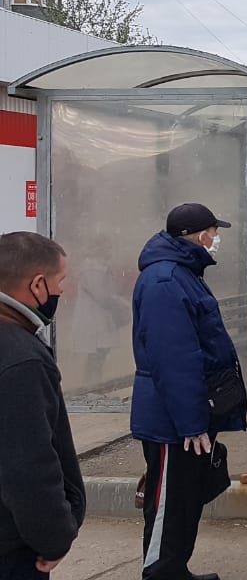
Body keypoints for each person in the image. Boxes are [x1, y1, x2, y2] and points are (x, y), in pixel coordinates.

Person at [131, 203, 245, 580]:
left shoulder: (181, 273)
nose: (216, 239)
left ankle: (175, 569)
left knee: (183, 501)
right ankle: (162, 573)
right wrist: (192, 423)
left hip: (184, 415)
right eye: (214, 231)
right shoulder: (166, 280)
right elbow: (174, 359)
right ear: (199, 235)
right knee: (168, 504)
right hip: (172, 422)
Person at [0, 232, 85, 580]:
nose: (62, 291)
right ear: (37, 285)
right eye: (59, 280)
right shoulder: (20, 359)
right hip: (12, 549)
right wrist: (53, 538)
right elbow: (28, 465)